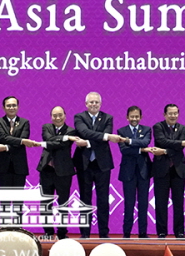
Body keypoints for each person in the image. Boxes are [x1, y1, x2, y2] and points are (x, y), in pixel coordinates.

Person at [73, 92, 120, 238]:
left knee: (103, 199)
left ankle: (104, 233)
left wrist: (87, 142)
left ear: (100, 104)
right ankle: (85, 233)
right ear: (86, 104)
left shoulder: (108, 118)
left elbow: (94, 137)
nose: (94, 105)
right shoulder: (79, 117)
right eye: (91, 102)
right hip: (84, 163)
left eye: (96, 102)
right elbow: (84, 131)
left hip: (102, 164)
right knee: (85, 199)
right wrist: (105, 137)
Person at [37, 106, 86, 239]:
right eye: (54, 115)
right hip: (46, 170)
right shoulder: (46, 127)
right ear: (51, 116)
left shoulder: (71, 131)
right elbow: (48, 139)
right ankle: (48, 232)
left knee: (63, 203)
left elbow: (55, 144)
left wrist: (56, 141)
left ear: (65, 115)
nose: (57, 118)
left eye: (60, 115)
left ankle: (62, 233)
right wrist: (63, 139)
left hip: (63, 172)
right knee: (45, 203)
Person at [151, 104, 185, 238]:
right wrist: (179, 144)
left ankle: (179, 231)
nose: (173, 116)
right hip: (161, 170)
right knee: (161, 202)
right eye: (170, 113)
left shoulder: (182, 128)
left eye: (175, 113)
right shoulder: (158, 127)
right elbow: (162, 141)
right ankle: (161, 232)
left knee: (179, 202)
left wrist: (164, 151)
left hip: (178, 169)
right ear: (165, 115)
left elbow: (177, 148)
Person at [117, 106, 152, 239]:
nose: (134, 119)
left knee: (143, 203)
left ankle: (142, 233)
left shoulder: (147, 130)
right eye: (132, 116)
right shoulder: (121, 131)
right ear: (127, 117)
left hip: (144, 171)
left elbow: (145, 142)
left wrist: (129, 141)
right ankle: (126, 233)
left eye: (137, 116)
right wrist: (141, 150)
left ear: (141, 117)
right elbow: (124, 150)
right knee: (129, 204)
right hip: (127, 172)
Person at [0, 96, 38, 188]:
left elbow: (24, 139)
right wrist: (21, 141)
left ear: (18, 107)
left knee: (18, 199)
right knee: (4, 199)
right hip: (3, 165)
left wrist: (6, 147)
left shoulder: (24, 122)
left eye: (14, 105)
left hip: (20, 165)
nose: (11, 108)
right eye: (8, 105)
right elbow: (3, 138)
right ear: (3, 107)